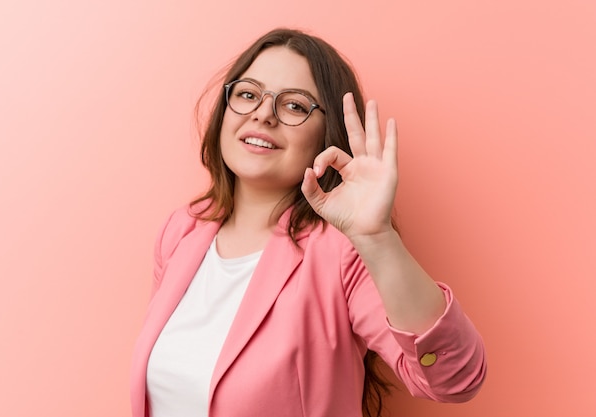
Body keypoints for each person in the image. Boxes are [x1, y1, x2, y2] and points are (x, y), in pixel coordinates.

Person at [130, 28, 487, 417]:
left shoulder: (341, 252)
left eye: (295, 106)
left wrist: (377, 238)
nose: (263, 114)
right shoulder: (182, 231)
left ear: (325, 136)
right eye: (248, 94)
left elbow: (455, 378)